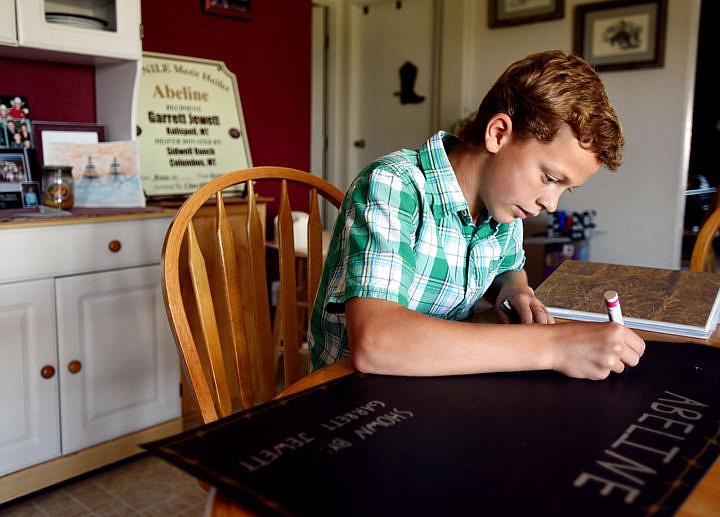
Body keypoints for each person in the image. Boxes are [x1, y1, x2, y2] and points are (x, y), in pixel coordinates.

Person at [308, 50, 645, 381]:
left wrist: (514, 289)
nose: (551, 204)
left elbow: (507, 267)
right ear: (498, 134)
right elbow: (376, 342)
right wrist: (554, 346)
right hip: (353, 395)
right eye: (549, 178)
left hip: (436, 385)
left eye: (565, 189)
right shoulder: (394, 185)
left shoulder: (504, 206)